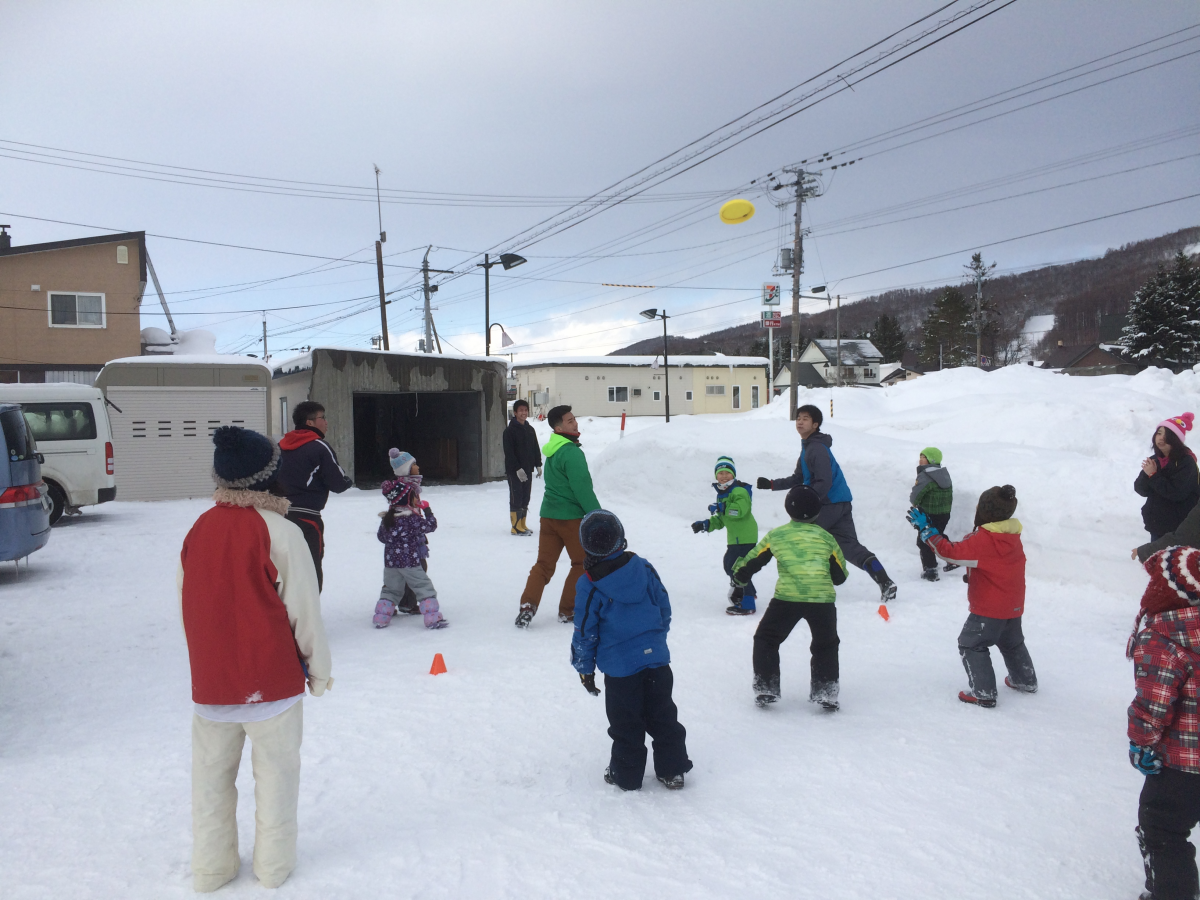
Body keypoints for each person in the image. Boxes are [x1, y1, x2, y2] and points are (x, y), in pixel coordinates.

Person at [178, 426, 332, 892]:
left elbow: (188, 602)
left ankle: (211, 867)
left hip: (213, 685)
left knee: (209, 783)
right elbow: (304, 609)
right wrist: (319, 670)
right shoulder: (281, 532)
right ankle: (273, 866)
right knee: (278, 779)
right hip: (273, 684)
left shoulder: (199, 529)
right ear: (270, 475)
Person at [571, 509, 693, 791]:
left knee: (626, 723)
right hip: (657, 662)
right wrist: (656, 639)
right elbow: (663, 605)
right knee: (663, 715)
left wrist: (584, 669)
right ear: (620, 538)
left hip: (620, 670)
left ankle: (626, 775)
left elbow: (585, 631)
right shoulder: (643, 566)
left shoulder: (590, 584)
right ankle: (672, 769)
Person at [909, 484, 1037, 708]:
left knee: (971, 643)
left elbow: (950, 552)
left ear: (986, 512)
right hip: (1013, 605)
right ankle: (1025, 680)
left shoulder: (985, 539)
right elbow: (996, 566)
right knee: (1012, 642)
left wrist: (927, 530)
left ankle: (984, 692)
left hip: (989, 608)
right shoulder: (1011, 535)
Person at [756, 404, 896, 603]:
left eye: (805, 419)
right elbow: (798, 478)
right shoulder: (809, 448)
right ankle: (885, 581)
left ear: (815, 424)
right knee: (849, 547)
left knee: (804, 541)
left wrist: (809, 503)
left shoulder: (816, 449)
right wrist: (771, 484)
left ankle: (806, 586)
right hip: (840, 502)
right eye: (798, 418)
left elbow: (824, 481)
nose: (800, 422)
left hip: (828, 504)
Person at [1127, 544, 1200, 900]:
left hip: (1184, 763)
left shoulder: (1164, 635)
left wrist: (1140, 743)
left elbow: (1152, 706)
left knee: (1163, 827)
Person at [733, 485, 847, 710]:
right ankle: (826, 691)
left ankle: (766, 687)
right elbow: (840, 576)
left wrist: (740, 577)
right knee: (826, 645)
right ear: (817, 512)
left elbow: (753, 560)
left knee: (766, 639)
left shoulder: (777, 535)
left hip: (787, 598)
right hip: (821, 601)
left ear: (788, 510)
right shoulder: (826, 538)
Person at [516, 405, 601, 628]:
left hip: (548, 517)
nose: (575, 423)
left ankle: (527, 606)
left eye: (574, 419)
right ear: (558, 427)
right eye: (570, 420)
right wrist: (597, 515)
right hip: (571, 518)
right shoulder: (571, 453)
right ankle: (568, 610)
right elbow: (582, 488)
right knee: (582, 563)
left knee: (544, 565)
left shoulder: (552, 451)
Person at [276, 401, 354, 591]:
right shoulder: (319, 447)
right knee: (309, 566)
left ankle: (280, 614)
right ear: (310, 422)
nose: (326, 422)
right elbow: (338, 483)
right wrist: (347, 481)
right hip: (306, 518)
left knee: (282, 567)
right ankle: (306, 616)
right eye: (323, 417)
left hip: (277, 517)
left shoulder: (279, 446)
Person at [373, 450, 446, 630]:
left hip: (391, 561)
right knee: (423, 585)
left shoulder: (388, 519)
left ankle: (381, 617)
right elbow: (430, 525)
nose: (418, 466)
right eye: (414, 464)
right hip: (410, 559)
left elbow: (381, 537)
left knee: (390, 589)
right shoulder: (411, 517)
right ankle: (432, 617)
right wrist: (427, 511)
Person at [691, 455, 759, 615]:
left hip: (745, 537)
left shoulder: (739, 491)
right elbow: (722, 519)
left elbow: (739, 511)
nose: (723, 476)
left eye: (727, 473)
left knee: (736, 567)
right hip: (735, 538)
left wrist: (722, 507)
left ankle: (747, 602)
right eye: (720, 473)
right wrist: (706, 524)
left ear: (733, 474)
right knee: (732, 565)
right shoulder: (723, 493)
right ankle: (749, 592)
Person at [1135, 413, 1199, 542]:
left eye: (1167, 435)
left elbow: (1176, 493)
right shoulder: (1155, 460)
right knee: (1155, 561)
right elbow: (1141, 489)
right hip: (1157, 524)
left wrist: (1153, 475)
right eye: (1159, 433)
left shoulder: (1186, 462)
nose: (1161, 438)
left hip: (1179, 528)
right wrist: (1147, 475)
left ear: (1176, 439)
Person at [910, 447, 954, 582]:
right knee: (938, 535)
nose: (920, 460)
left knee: (924, 540)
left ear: (930, 460)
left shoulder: (925, 476)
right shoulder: (944, 474)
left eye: (923, 457)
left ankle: (931, 570)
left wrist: (915, 502)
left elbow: (915, 497)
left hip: (928, 515)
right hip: (944, 514)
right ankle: (953, 557)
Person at [504, 399, 543, 537]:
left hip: (527, 469)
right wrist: (517, 468)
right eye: (521, 410)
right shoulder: (509, 431)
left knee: (525, 497)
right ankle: (515, 527)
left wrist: (538, 464)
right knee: (516, 497)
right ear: (515, 413)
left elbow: (535, 448)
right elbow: (509, 453)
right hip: (515, 471)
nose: (524, 413)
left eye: (525, 410)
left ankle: (522, 524)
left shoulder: (530, 429)